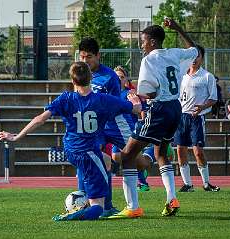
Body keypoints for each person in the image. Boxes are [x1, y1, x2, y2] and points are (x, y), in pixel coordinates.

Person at [0, 62, 142, 221]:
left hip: (71, 150)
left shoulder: (65, 98)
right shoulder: (103, 99)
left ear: (73, 81)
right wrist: (136, 102)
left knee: (106, 162)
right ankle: (76, 214)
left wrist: (17, 136)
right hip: (88, 152)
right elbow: (135, 109)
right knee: (98, 206)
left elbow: (40, 119)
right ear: (91, 78)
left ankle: (82, 201)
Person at [109, 18, 198, 218]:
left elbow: (148, 92)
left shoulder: (149, 60)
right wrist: (178, 28)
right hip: (176, 108)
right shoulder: (174, 53)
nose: (142, 45)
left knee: (128, 156)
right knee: (161, 154)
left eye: (144, 41)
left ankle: (133, 207)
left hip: (158, 109)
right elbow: (194, 50)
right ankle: (171, 199)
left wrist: (134, 99)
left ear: (153, 42)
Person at [79, 38, 148, 217]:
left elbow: (114, 104)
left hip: (116, 124)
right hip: (94, 126)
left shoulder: (109, 76)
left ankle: (153, 161)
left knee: (131, 157)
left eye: (89, 57)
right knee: (91, 160)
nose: (86, 61)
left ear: (98, 56)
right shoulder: (79, 74)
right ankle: (98, 204)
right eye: (83, 56)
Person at [174, 45, 220, 193]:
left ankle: (206, 183)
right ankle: (188, 184)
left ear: (202, 58)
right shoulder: (181, 75)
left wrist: (202, 107)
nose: (194, 59)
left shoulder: (207, 76)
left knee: (198, 151)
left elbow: (213, 99)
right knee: (180, 150)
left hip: (197, 118)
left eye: (197, 56)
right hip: (181, 117)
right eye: (192, 56)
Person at [114, 65, 151, 192]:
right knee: (116, 157)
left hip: (128, 129)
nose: (119, 79)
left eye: (122, 77)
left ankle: (143, 180)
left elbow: (141, 109)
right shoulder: (110, 93)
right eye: (116, 77)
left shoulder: (130, 93)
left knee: (131, 157)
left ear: (126, 80)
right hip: (114, 130)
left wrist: (142, 120)